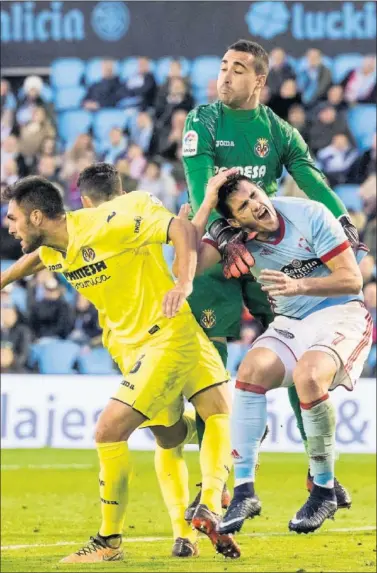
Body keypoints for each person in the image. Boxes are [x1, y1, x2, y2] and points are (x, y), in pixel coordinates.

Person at [1, 168, 239, 562]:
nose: (9, 227)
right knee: (175, 433)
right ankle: (195, 520)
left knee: (109, 430)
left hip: (166, 335)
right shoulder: (52, 250)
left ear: (37, 216)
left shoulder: (110, 220)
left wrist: (183, 284)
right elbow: (31, 262)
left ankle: (109, 541)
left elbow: (179, 228)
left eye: (12, 217)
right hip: (140, 348)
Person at [182, 39, 363, 517]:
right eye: (222, 66)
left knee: (300, 358)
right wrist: (223, 234)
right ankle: (215, 483)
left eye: (237, 69)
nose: (225, 76)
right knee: (212, 366)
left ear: (259, 81)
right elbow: (201, 183)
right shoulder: (202, 120)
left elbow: (311, 178)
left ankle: (318, 471)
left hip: (268, 256)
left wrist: (343, 221)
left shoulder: (278, 131)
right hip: (219, 256)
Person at [187, 171, 372, 535]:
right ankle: (244, 491)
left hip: (341, 313)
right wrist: (207, 205)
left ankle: (323, 490)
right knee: (251, 371)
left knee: (308, 375)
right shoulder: (234, 238)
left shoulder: (310, 214)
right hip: (292, 321)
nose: (257, 205)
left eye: (255, 194)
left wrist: (299, 284)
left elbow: (353, 280)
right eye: (243, 206)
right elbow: (188, 260)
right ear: (234, 220)